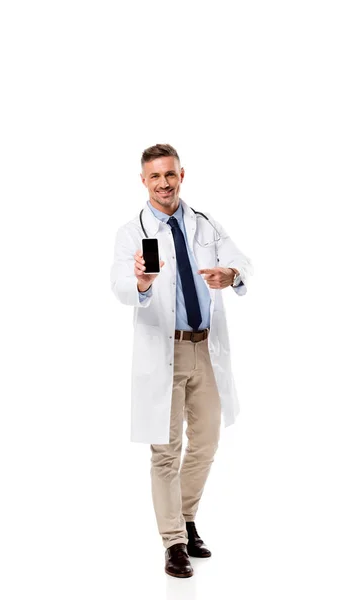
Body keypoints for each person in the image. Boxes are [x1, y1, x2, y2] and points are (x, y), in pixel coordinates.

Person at [110, 143, 253, 578]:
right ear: (143, 181)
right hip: (163, 349)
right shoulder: (131, 232)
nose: (164, 183)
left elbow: (242, 262)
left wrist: (231, 274)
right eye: (155, 176)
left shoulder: (204, 224)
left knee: (207, 441)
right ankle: (173, 541)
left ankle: (186, 518)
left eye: (170, 174)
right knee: (165, 450)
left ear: (182, 175)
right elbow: (118, 286)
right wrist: (140, 283)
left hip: (206, 348)